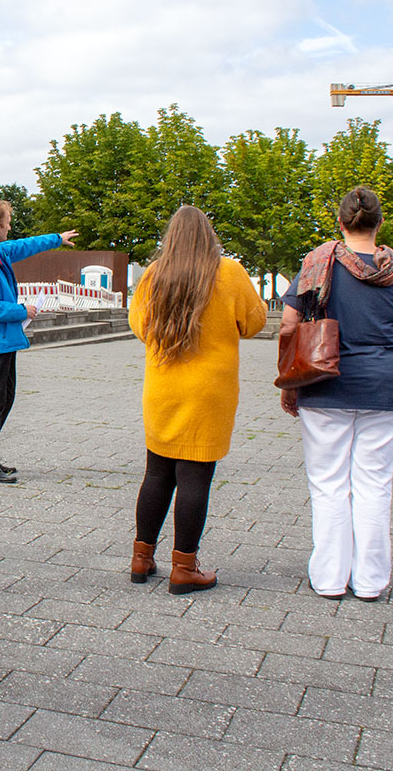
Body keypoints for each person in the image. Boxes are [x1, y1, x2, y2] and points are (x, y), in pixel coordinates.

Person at [280, 186, 393, 602]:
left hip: (325, 385)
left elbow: (289, 325)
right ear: (379, 223)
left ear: (340, 223)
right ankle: (371, 580)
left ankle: (328, 578)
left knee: (328, 484)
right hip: (386, 386)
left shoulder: (317, 263)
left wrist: (291, 382)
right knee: (375, 485)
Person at [128, 206, 266, 594]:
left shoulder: (155, 275)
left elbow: (138, 325)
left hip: (163, 388)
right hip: (210, 391)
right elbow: (254, 323)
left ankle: (142, 558)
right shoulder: (230, 272)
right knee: (195, 478)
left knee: (156, 473)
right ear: (209, 236)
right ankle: (184, 567)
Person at [0, 200, 77, 482]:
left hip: (4, 338)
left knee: (4, 398)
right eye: (8, 221)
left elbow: (27, 245)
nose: (11, 226)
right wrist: (22, 310)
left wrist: (57, 239)